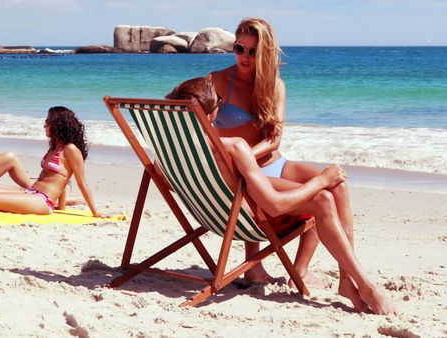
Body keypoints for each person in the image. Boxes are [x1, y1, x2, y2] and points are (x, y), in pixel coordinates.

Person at [166, 77, 396, 315]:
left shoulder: (169, 151)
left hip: (212, 216)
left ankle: (350, 281)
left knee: (321, 193)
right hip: (248, 222)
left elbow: (171, 185)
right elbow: (275, 206)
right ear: (211, 114)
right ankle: (365, 285)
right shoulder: (234, 147)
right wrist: (322, 180)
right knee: (323, 198)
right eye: (219, 103)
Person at [209, 17, 356, 292]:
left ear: (265, 53)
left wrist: (246, 156)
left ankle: (320, 274)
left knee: (338, 183)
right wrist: (241, 160)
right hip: (240, 170)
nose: (244, 57)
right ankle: (259, 267)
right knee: (317, 195)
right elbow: (198, 124)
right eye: (239, 48)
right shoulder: (217, 80)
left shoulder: (274, 85)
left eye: (252, 51)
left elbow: (274, 140)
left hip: (270, 164)